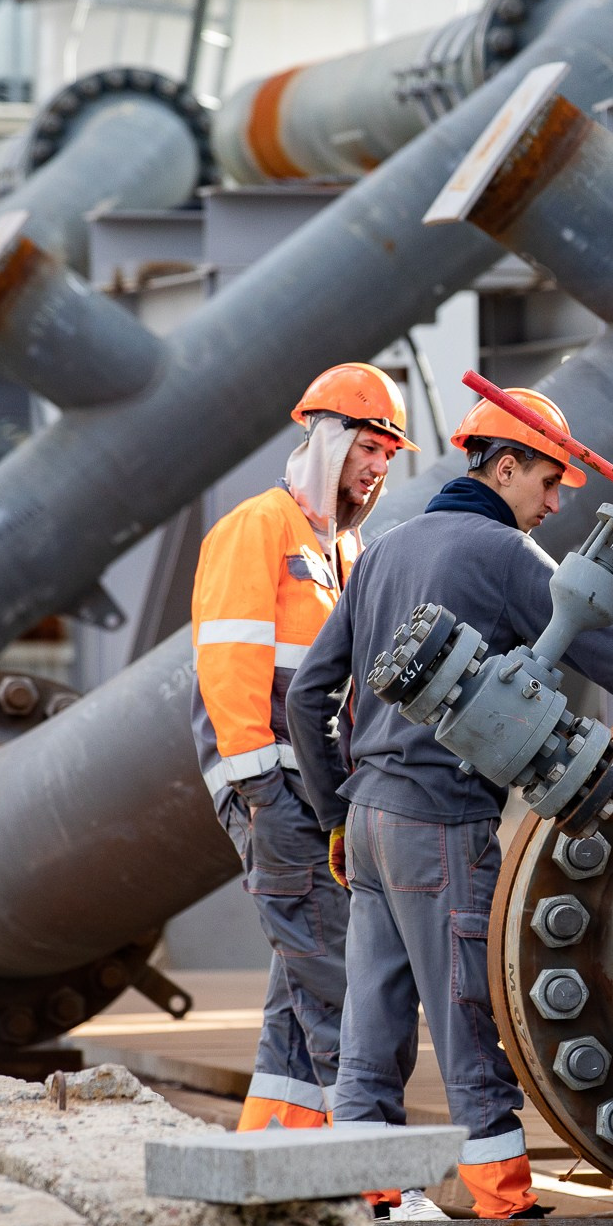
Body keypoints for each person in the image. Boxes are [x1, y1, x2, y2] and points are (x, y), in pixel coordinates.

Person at [286, 385, 613, 1220]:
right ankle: (502, 1202)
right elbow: (612, 654)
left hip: (365, 820)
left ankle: (373, 1196)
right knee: (469, 1005)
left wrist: (332, 811)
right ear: (504, 465)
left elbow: (308, 695)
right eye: (547, 482)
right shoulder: (505, 556)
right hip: (441, 820)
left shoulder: (385, 551)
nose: (550, 504)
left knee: (373, 1019)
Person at [191, 363, 414, 1134]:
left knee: (302, 980)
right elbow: (229, 667)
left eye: (390, 454)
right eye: (371, 447)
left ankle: (282, 1146)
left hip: (316, 797)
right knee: (342, 979)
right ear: (330, 440)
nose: (380, 466)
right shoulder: (256, 528)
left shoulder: (342, 551)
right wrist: (263, 797)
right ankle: (371, 1170)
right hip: (273, 793)